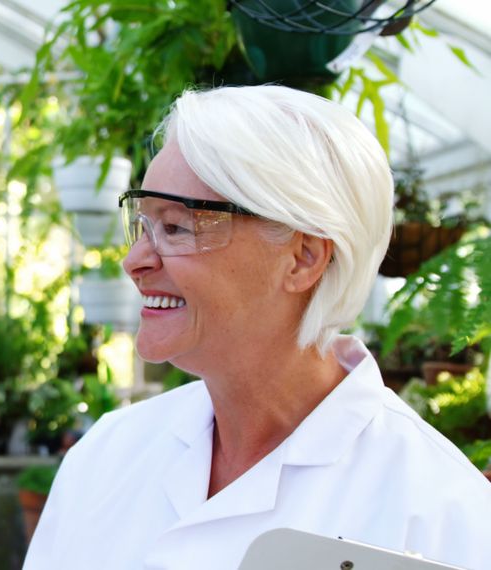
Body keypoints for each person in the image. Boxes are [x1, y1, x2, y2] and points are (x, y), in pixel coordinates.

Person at [24, 85, 491, 569]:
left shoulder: (440, 515)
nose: (134, 261)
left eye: (177, 228)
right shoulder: (106, 456)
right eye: (143, 226)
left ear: (302, 258)